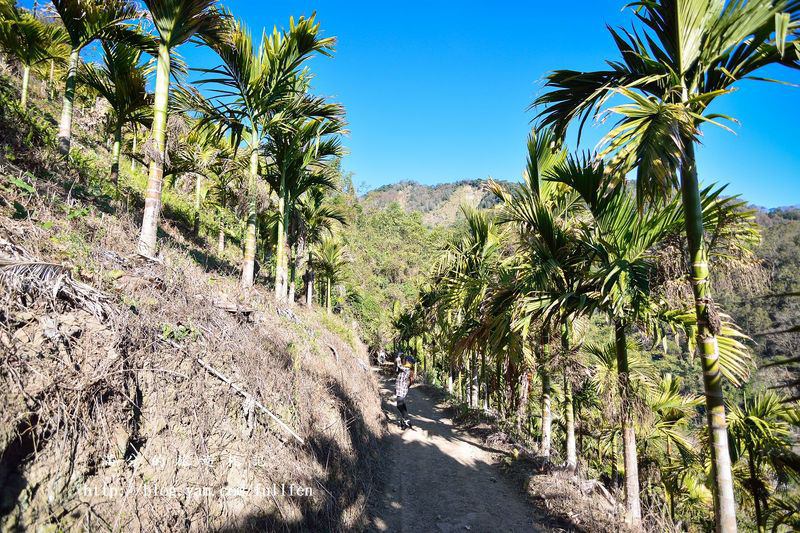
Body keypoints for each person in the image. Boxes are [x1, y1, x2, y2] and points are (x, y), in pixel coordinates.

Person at [395, 354, 416, 429]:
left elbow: (399, 364)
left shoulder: (406, 369)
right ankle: (404, 423)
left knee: (399, 405)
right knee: (402, 405)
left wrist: (398, 357)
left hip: (401, 389)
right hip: (401, 389)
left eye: (405, 360)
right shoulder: (406, 369)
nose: (404, 360)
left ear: (407, 361)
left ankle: (406, 419)